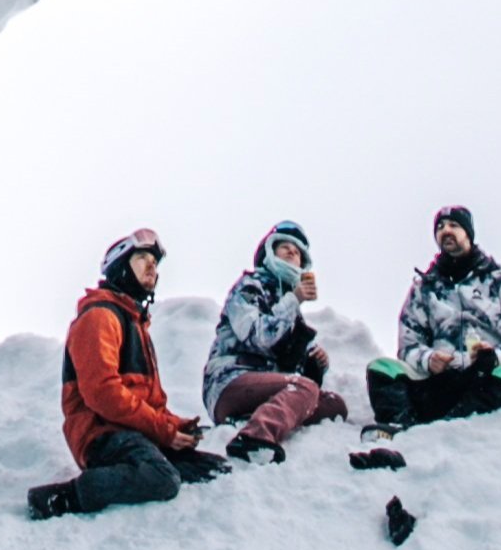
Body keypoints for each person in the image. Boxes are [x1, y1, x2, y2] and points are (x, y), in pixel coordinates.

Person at [28, 229, 227, 518]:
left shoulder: (135, 324)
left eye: (155, 263)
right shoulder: (100, 316)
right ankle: (61, 498)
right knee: (163, 478)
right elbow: (103, 393)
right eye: (142, 258)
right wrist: (162, 431)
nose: (151, 267)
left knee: (212, 468)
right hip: (102, 435)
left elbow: (146, 400)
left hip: (133, 431)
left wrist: (176, 425)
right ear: (120, 266)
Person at [364, 206, 501, 429]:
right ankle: (402, 430)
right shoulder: (424, 289)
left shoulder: (499, 282)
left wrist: (496, 356)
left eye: (454, 225)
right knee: (382, 368)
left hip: (488, 378)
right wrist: (429, 359)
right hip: (442, 382)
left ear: (468, 233)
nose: (446, 231)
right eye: (440, 227)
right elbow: (408, 343)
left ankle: (455, 427)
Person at [202, 219, 349, 463]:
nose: (292, 252)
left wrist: (317, 362)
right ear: (269, 252)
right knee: (303, 388)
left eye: (298, 252)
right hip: (230, 382)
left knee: (334, 405)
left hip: (267, 388)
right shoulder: (249, 287)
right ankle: (254, 437)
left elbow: (293, 366)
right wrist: (293, 300)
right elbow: (258, 336)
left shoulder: (292, 307)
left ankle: (250, 418)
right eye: (285, 247)